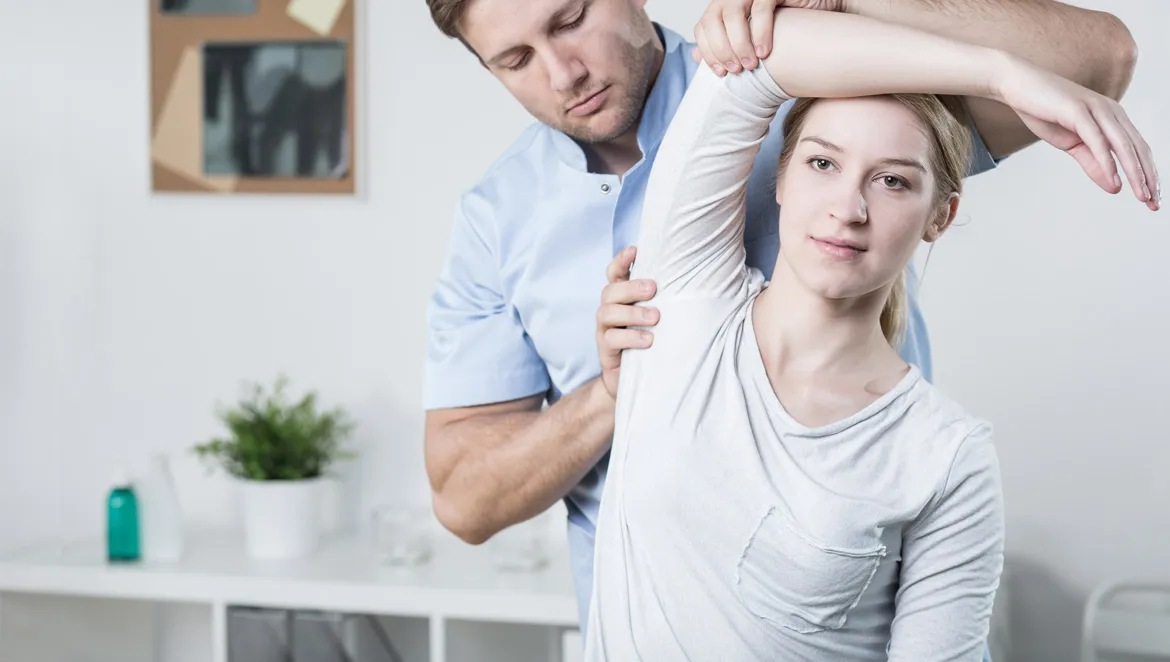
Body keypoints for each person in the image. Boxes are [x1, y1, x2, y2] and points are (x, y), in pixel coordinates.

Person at [421, 0, 1153, 647]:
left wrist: (833, 7)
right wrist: (618, 391)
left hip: (852, 591)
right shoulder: (498, 219)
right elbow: (463, 500)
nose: (563, 72)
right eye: (515, 59)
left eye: (571, 18)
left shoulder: (810, 87)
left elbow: (1095, 58)